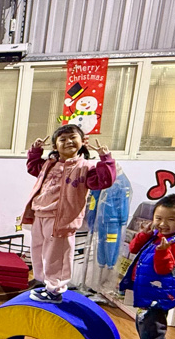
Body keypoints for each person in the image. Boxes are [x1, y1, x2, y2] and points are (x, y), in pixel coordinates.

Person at [22, 124, 116, 303]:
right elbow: (32, 167)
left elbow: (105, 180)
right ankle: (44, 283)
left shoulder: (86, 167)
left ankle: (55, 289)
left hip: (60, 219)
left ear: (83, 142)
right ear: (55, 146)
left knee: (57, 255)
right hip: (39, 214)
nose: (68, 142)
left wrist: (106, 159)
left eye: (73, 137)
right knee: (38, 252)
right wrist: (35, 150)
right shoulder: (49, 164)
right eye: (63, 139)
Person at [117, 195, 175, 339]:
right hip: (147, 292)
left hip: (158, 297)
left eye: (171, 219)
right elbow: (133, 248)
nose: (163, 224)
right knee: (144, 326)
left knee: (153, 330)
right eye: (158, 218)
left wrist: (162, 252)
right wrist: (144, 234)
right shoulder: (157, 236)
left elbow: (163, 269)